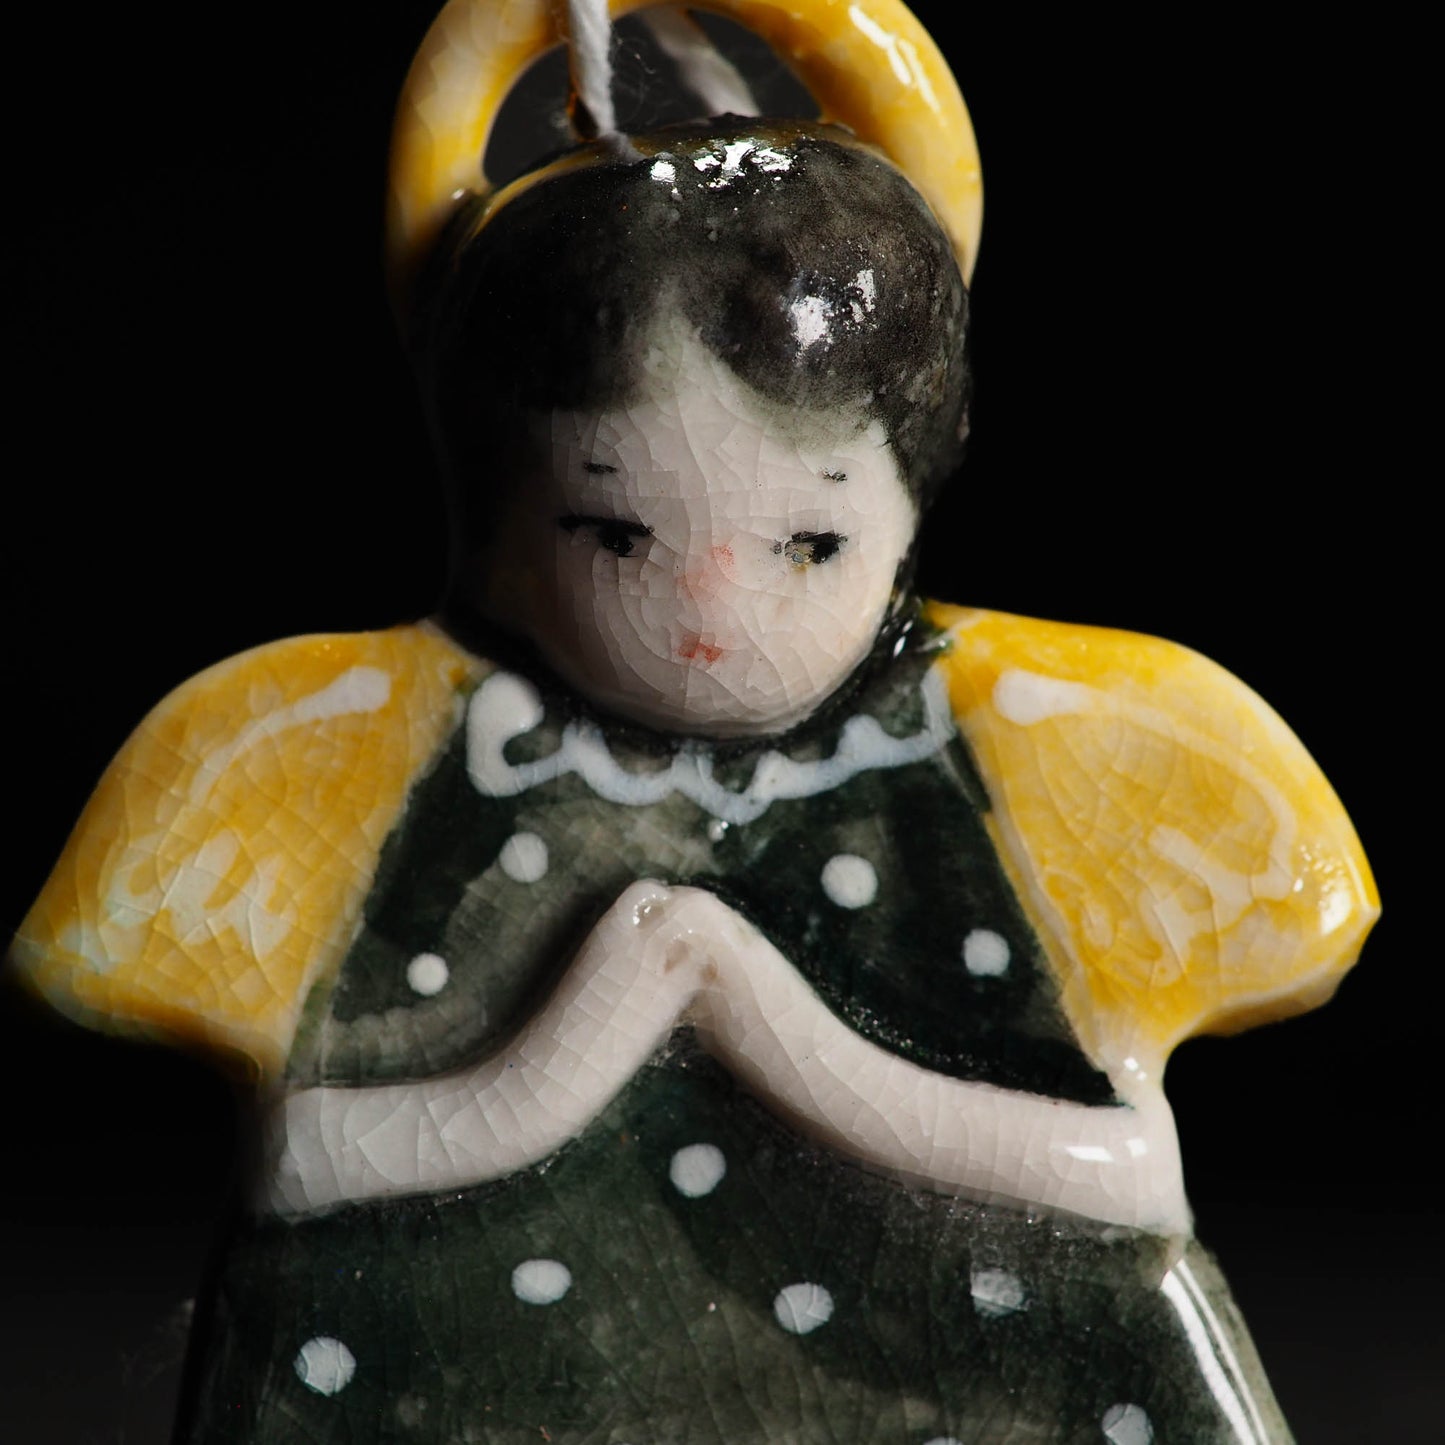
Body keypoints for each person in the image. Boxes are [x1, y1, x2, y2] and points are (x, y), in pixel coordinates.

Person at [12, 109, 1377, 1442]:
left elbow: (1126, 1179)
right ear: (497, 511)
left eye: (810, 542)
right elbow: (303, 1166)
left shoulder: (1027, 742)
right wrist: (573, 1045)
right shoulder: (373, 749)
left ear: (911, 498)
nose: (711, 614)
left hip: (965, 1373)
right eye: (614, 532)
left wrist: (763, 1018)